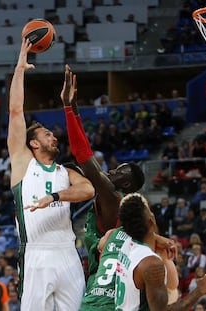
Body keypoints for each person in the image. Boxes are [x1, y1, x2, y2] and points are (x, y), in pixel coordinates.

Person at [7, 39, 95, 311]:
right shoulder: (23, 164)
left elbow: (89, 190)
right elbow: (15, 111)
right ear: (33, 143)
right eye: (47, 134)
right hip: (36, 254)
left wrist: (54, 197)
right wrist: (20, 68)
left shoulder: (66, 172)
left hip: (67, 253)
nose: (53, 136)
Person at [60, 65, 146, 310]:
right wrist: (75, 108)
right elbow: (88, 155)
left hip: (108, 284)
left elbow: (82, 155)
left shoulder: (112, 197)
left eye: (119, 172)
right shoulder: (110, 194)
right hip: (102, 277)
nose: (112, 170)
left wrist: (67, 108)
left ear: (127, 184)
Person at [115, 192, 206, 310]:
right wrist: (199, 291)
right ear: (152, 220)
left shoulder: (125, 245)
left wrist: (157, 239)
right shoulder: (151, 263)